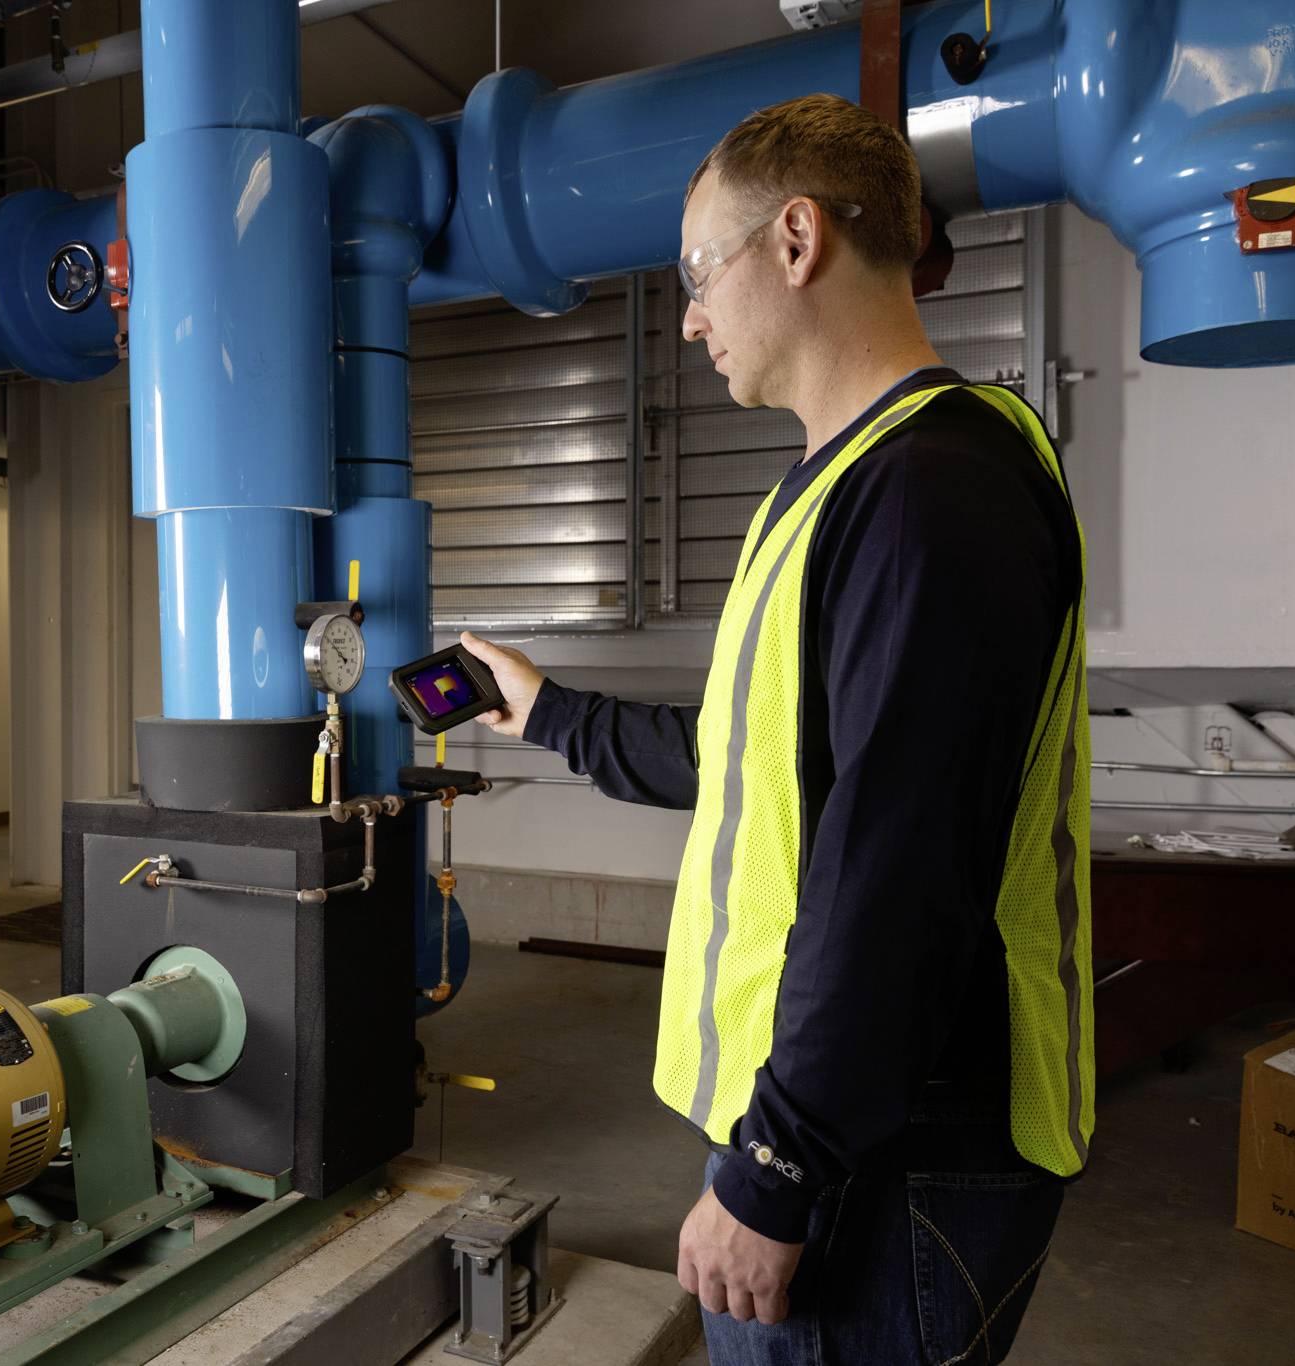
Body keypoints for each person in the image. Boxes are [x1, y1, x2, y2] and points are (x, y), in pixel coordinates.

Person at [461, 93, 1090, 1365]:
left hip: (880, 1155)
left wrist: (773, 1168)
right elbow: (748, 761)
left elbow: (897, 863)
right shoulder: (836, 485)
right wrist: (545, 711)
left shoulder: (929, 491)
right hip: (845, 1122)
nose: (687, 314)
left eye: (698, 274)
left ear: (794, 240)